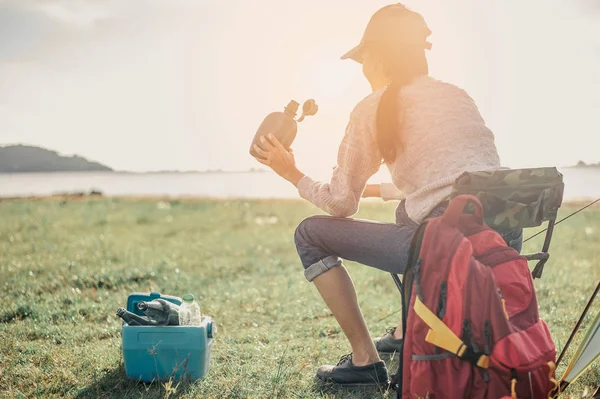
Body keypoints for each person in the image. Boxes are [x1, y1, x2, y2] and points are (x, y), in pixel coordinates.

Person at [251, 3, 523, 387]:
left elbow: (342, 204)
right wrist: (378, 189)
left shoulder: (375, 106)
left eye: (364, 58)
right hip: (503, 238)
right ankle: (402, 331)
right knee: (405, 213)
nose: (362, 68)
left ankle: (365, 361)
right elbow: (444, 182)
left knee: (309, 234)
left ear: (377, 56)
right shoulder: (455, 95)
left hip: (443, 248)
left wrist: (290, 172)